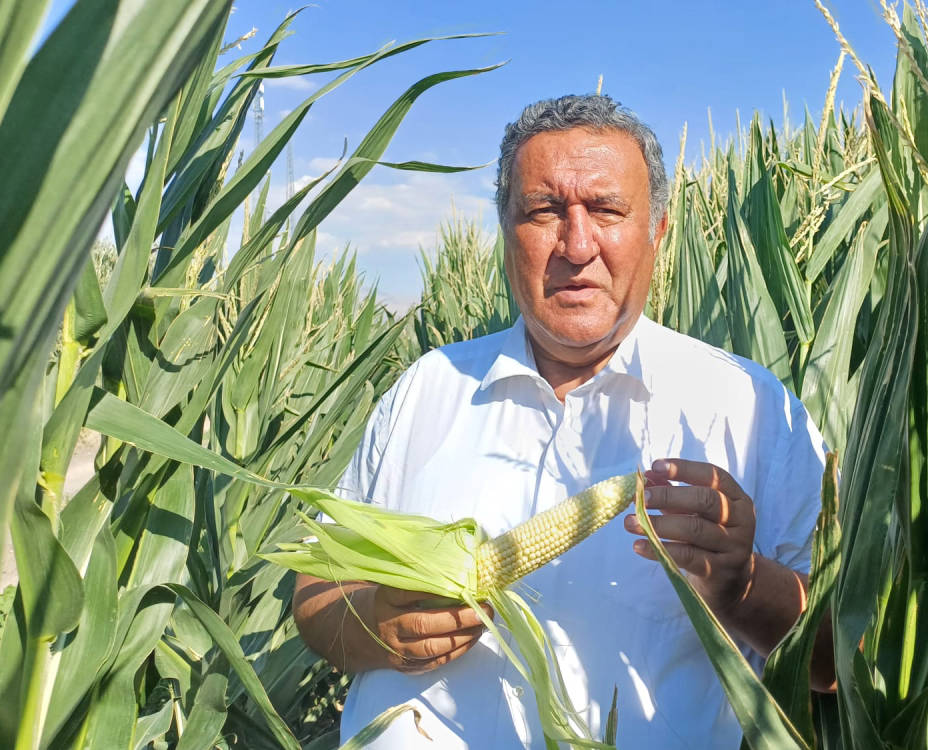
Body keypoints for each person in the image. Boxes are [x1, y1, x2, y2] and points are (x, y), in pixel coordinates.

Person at [292, 94, 832, 749]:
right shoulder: (428, 388)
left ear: (657, 231)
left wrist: (743, 584)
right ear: (505, 231)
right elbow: (316, 591)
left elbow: (841, 659)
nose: (577, 246)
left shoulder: (752, 409)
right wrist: (375, 619)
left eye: (607, 210)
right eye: (544, 211)